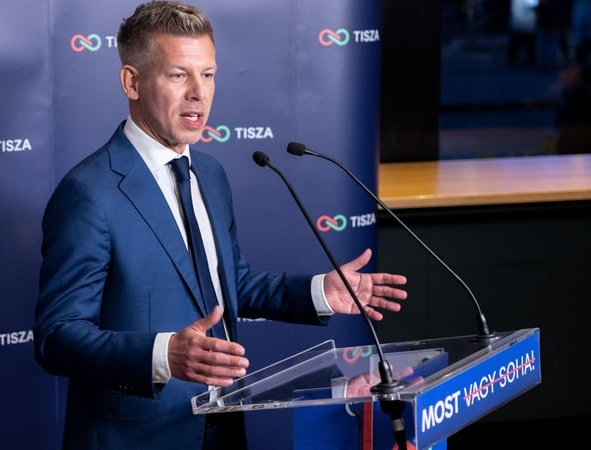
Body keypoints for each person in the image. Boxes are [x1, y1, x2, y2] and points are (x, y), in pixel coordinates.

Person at [33, 1, 408, 449]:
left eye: (208, 75)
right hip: (139, 438)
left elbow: (231, 285)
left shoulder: (209, 174)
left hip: (225, 427)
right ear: (132, 82)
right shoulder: (89, 192)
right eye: (179, 75)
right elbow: (56, 337)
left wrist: (318, 292)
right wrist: (163, 355)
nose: (199, 93)